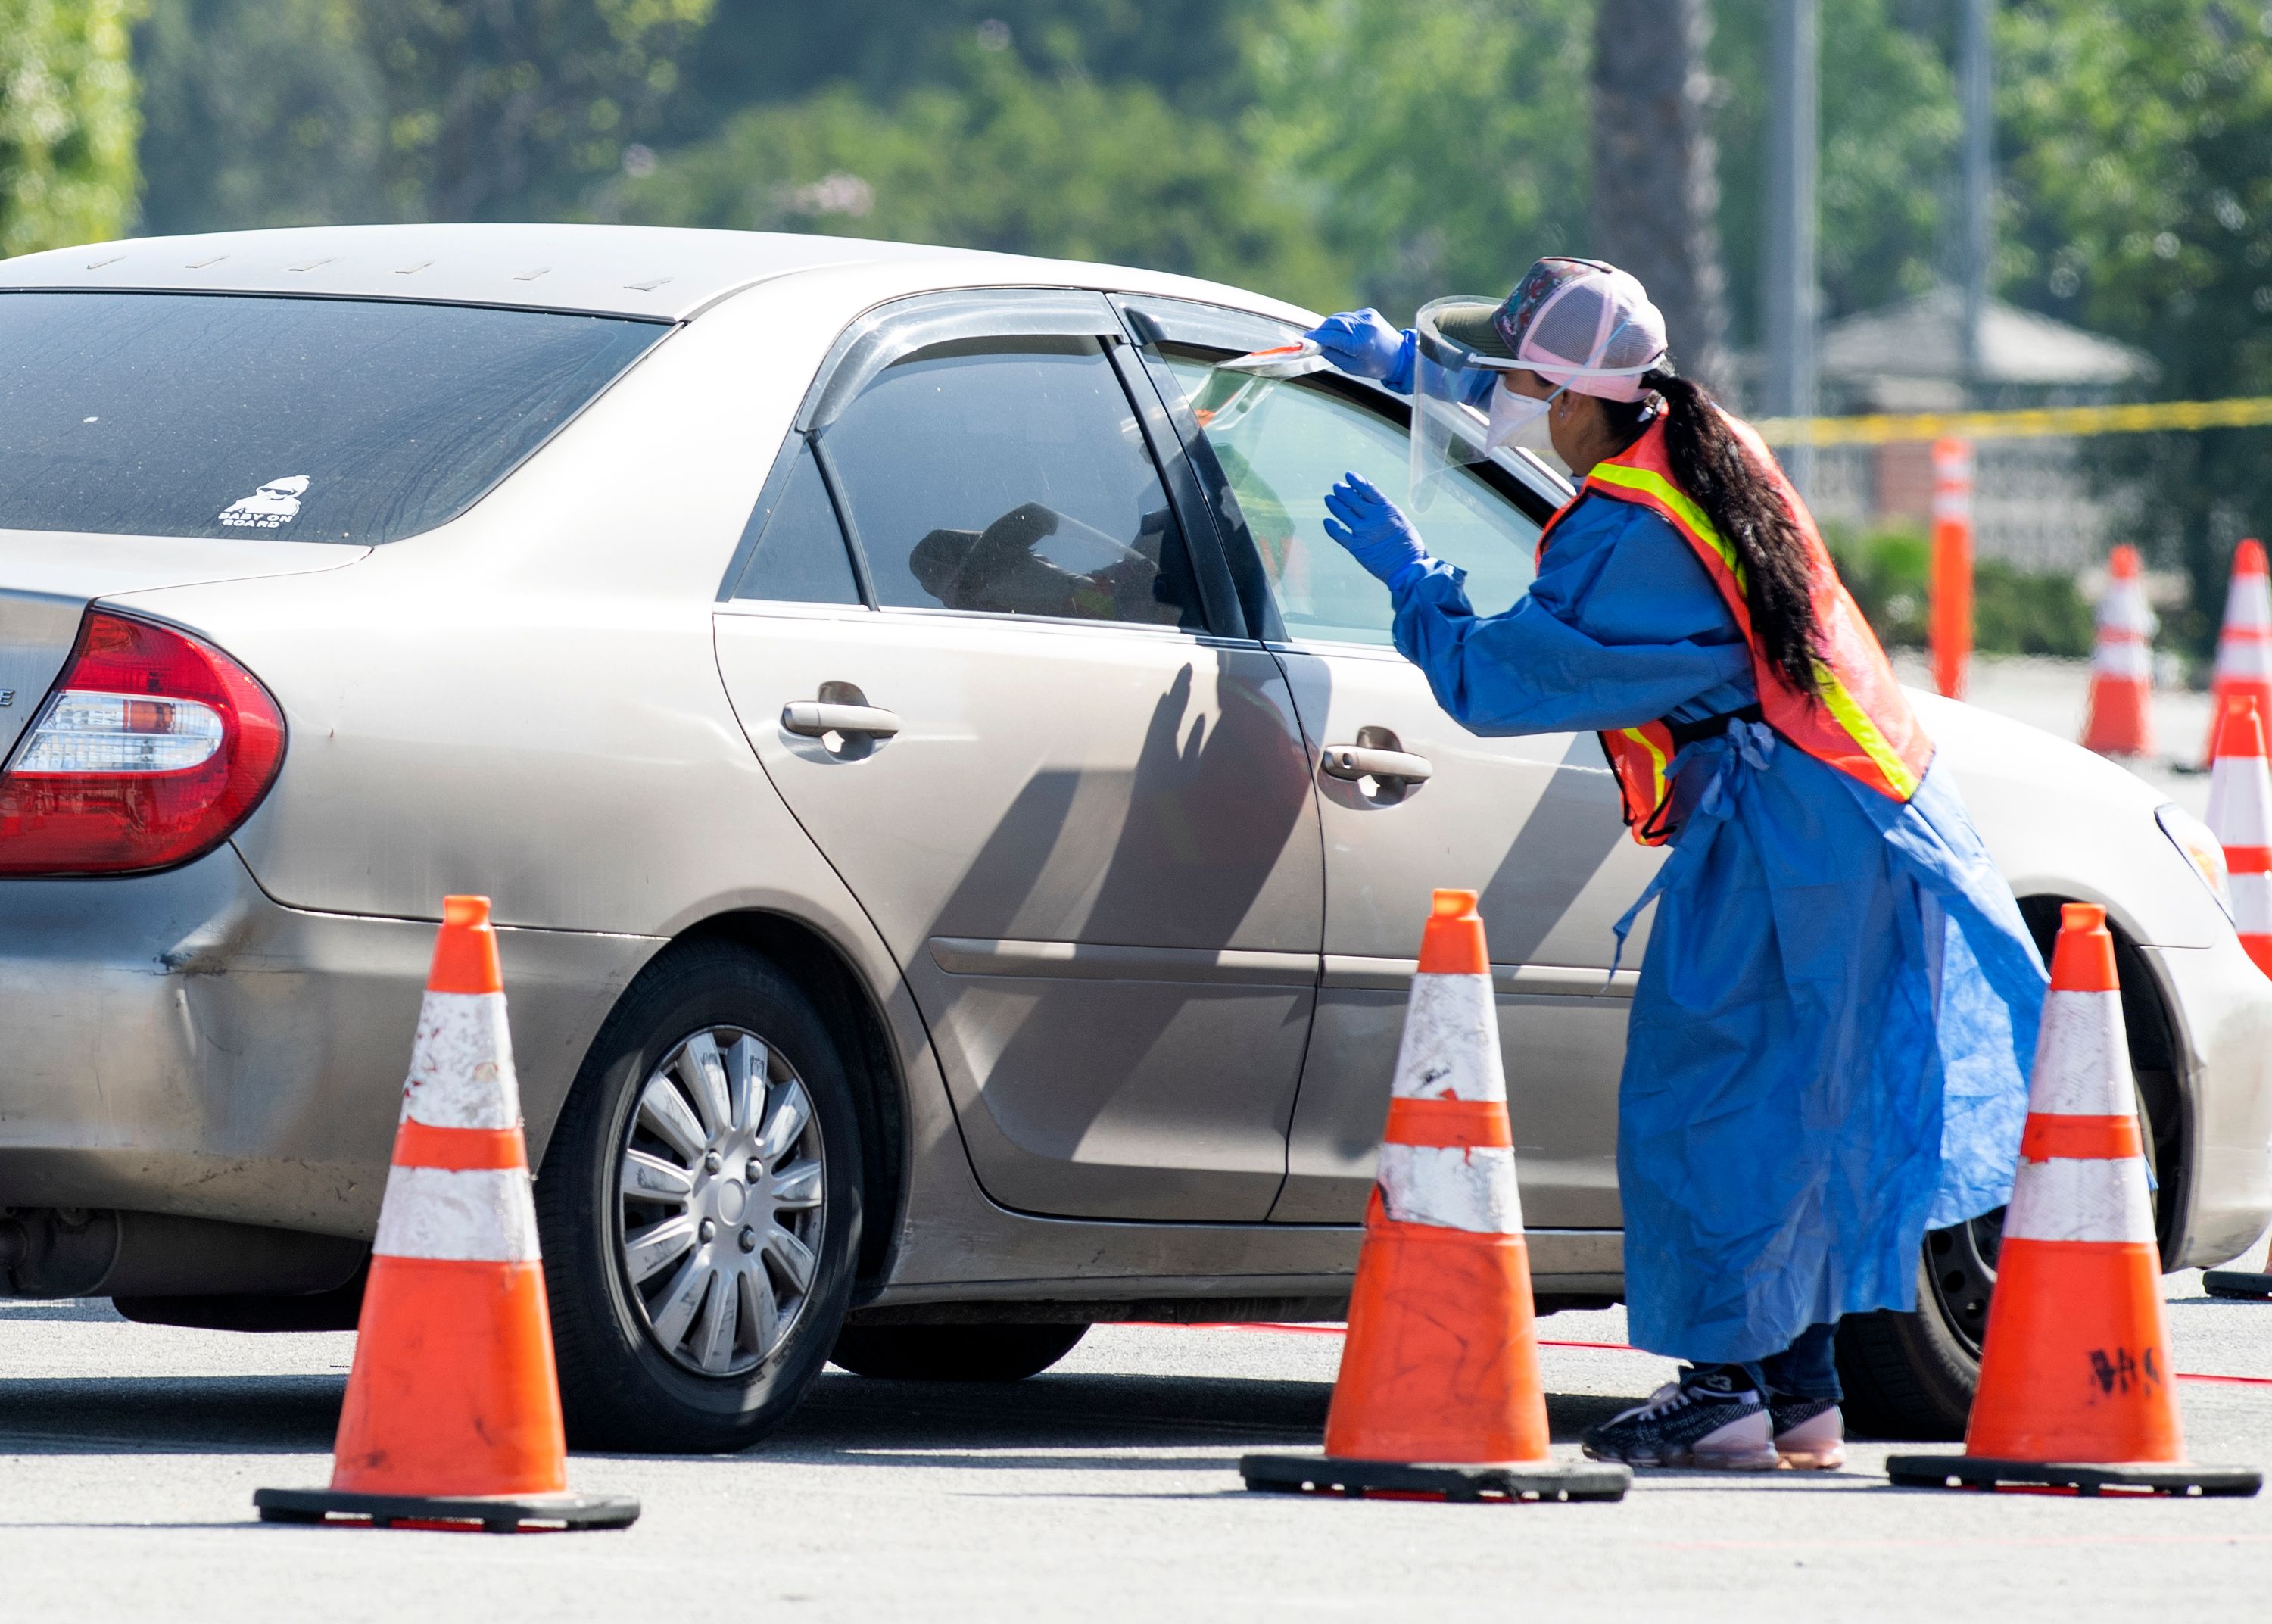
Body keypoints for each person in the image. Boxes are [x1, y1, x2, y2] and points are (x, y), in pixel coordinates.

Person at [1302, 257, 2046, 1471]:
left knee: (1701, 1106)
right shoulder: (1694, 448)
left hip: (1788, 831)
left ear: (1580, 394)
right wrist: (1411, 373)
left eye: (1528, 380)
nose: (1519, 402)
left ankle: (1720, 1394)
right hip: (1848, 811)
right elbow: (1555, 430)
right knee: (1792, 1110)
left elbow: (1502, 679)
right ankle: (1796, 1390)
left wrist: (1413, 586)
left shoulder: (1627, 535)